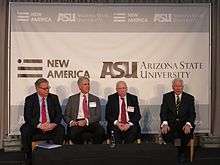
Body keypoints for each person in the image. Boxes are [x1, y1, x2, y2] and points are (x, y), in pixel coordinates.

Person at [20, 78, 65, 162]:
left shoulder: (54, 97)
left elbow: (59, 114)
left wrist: (53, 124)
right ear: (37, 89)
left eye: (48, 88)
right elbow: (28, 116)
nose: (47, 90)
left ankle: (57, 154)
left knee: (61, 129)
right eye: (44, 88)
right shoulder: (30, 99)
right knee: (25, 129)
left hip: (50, 125)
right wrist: (40, 125)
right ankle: (28, 156)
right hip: (36, 126)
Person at [160, 78, 196, 163]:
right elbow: (163, 112)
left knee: (187, 133)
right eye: (176, 86)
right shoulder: (166, 97)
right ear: (173, 87)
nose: (178, 88)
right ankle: (172, 152)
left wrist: (188, 124)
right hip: (170, 124)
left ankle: (181, 152)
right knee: (166, 133)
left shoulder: (189, 98)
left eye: (180, 86)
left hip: (184, 124)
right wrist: (164, 123)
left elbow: (192, 114)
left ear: (182, 87)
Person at [64, 76, 105, 144]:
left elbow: (98, 116)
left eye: (88, 84)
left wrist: (86, 121)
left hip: (91, 122)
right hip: (77, 122)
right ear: (79, 86)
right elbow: (66, 115)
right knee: (73, 133)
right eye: (85, 84)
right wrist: (71, 122)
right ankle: (80, 151)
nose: (88, 86)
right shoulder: (72, 99)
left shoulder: (95, 99)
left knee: (100, 131)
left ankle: (95, 151)